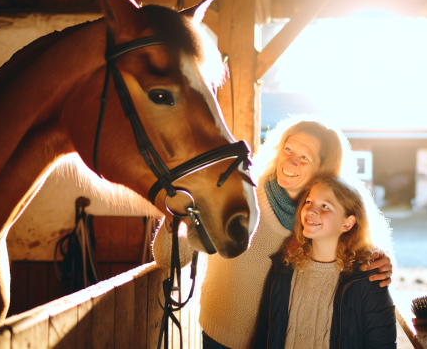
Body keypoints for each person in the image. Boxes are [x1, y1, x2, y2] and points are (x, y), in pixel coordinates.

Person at [153, 116, 394, 349]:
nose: (291, 162)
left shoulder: (319, 221)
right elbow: (167, 257)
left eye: (305, 157)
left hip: (277, 341)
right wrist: (177, 212)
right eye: (288, 149)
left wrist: (376, 260)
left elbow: (355, 242)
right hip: (220, 337)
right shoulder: (237, 193)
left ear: (323, 168)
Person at [258, 176, 396, 349]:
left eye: (325, 206)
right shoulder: (282, 268)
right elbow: (264, 335)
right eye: (309, 202)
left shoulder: (369, 280)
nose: (310, 210)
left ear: (347, 224)